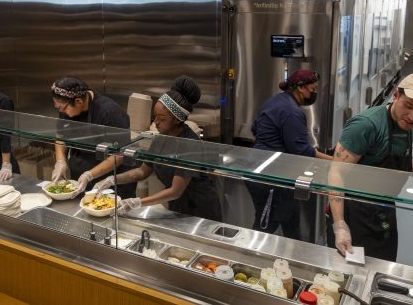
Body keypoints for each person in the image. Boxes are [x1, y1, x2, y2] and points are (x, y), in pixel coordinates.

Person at [327, 73, 413, 261]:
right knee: (352, 272)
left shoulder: (408, 126)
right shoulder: (366, 126)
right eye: (408, 106)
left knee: (382, 265)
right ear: (396, 95)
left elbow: (401, 159)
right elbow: (336, 173)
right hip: (354, 212)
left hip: (384, 206)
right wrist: (340, 226)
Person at [93, 76, 222, 221]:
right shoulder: (161, 138)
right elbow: (142, 172)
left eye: (162, 118)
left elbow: (175, 191)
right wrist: (112, 180)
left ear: (178, 119)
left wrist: (137, 202)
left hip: (201, 210)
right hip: (177, 207)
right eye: (155, 117)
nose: (156, 123)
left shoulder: (189, 144)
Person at [247, 69, 332, 240]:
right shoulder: (292, 112)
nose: (314, 93)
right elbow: (302, 150)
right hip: (270, 179)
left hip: (261, 171)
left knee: (291, 220)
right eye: (313, 89)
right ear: (301, 88)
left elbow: (255, 130)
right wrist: (336, 161)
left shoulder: (275, 101)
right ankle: (246, 256)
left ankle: (294, 256)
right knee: (265, 225)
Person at [50, 77, 135, 199]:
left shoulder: (110, 113)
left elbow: (121, 153)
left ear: (78, 101)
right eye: (57, 108)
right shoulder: (66, 106)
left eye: (62, 108)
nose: (62, 112)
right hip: (79, 177)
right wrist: (60, 162)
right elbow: (60, 137)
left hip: (109, 181)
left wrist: (89, 175)